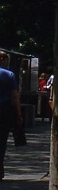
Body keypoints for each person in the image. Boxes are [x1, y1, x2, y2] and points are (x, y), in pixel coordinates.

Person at [0, 51, 25, 181]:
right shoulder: (9, 75)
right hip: (4, 111)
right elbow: (15, 96)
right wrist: (19, 113)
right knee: (2, 140)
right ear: (3, 60)